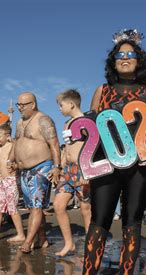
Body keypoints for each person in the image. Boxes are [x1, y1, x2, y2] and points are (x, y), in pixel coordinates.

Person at [70, 29, 146, 275]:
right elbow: (92, 128)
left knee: (133, 221)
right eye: (120, 54)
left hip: (141, 165)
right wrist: (83, 164)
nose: (125, 58)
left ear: (139, 60)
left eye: (131, 54)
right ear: (113, 60)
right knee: (100, 221)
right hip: (107, 163)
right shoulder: (102, 90)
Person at [7, 92, 61, 254]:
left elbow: (54, 144)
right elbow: (16, 143)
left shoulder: (43, 120)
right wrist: (11, 160)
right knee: (32, 208)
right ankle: (42, 239)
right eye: (18, 105)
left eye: (23, 105)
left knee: (37, 207)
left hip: (41, 167)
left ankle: (28, 242)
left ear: (33, 104)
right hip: (24, 170)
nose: (20, 108)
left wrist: (57, 166)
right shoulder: (19, 123)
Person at [53, 89, 92, 257]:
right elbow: (66, 148)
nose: (60, 109)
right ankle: (69, 244)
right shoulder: (66, 124)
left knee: (85, 209)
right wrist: (60, 168)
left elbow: (93, 145)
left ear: (71, 104)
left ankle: (92, 245)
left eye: (61, 105)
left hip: (83, 169)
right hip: (68, 170)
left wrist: (86, 173)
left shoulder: (86, 122)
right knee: (58, 205)